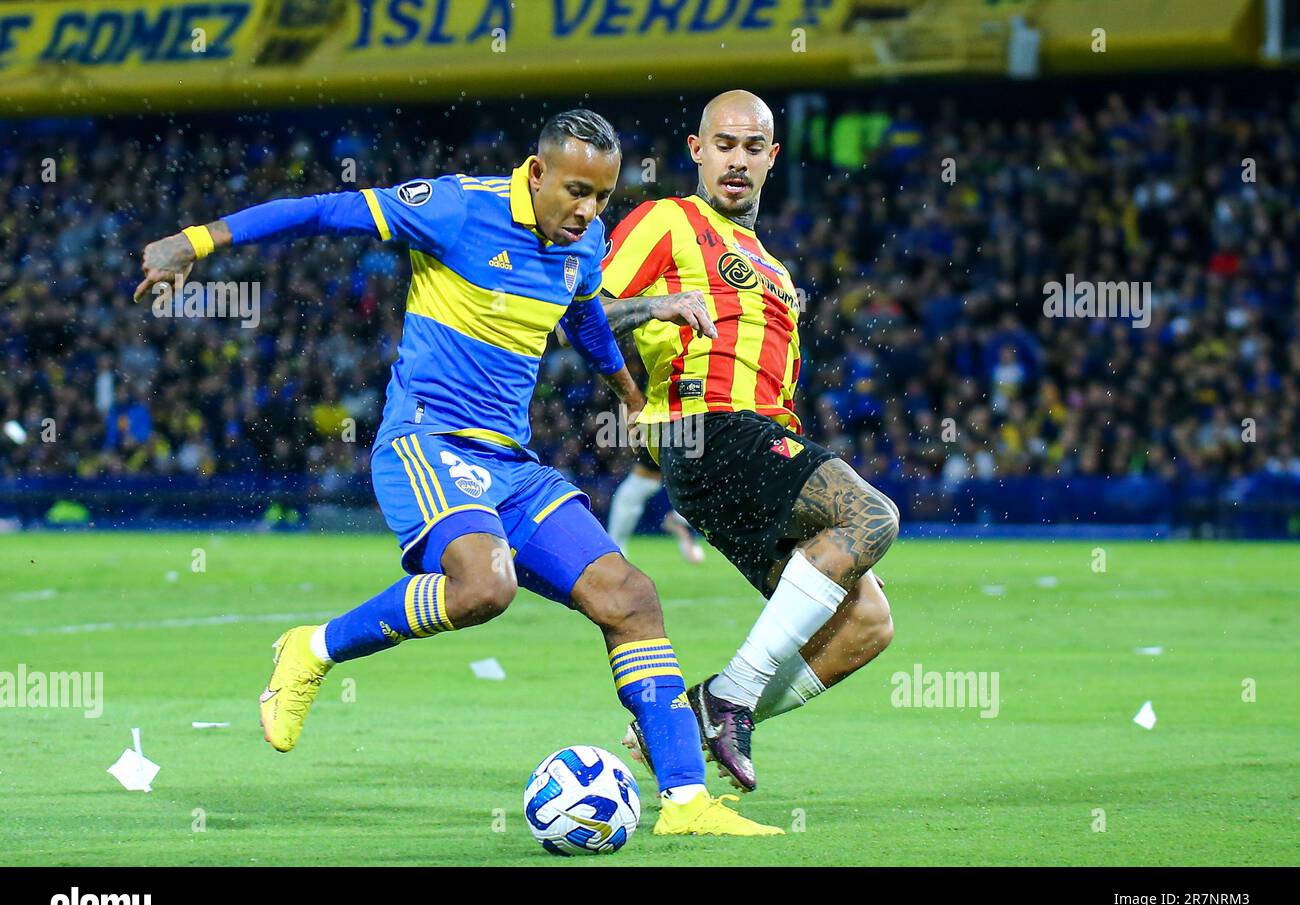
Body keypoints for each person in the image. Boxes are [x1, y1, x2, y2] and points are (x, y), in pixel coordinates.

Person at [132, 109, 780, 837]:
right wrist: (193, 242)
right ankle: (312, 648)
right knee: (485, 585)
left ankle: (687, 801)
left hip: (511, 462)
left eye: (601, 196)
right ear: (536, 173)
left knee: (630, 596)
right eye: (575, 191)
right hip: (428, 442)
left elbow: (587, 315)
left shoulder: (584, 239)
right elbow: (321, 210)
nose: (589, 211)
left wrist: (630, 395)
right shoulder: (455, 207)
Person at [601, 91, 900, 792]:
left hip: (752, 444)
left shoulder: (776, 272)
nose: (737, 160)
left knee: (868, 623)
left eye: (752, 147)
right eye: (724, 145)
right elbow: (575, 313)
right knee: (872, 515)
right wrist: (656, 307)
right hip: (707, 432)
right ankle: (730, 697)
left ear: (772, 157)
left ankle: (688, 717)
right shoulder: (669, 220)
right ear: (697, 150)